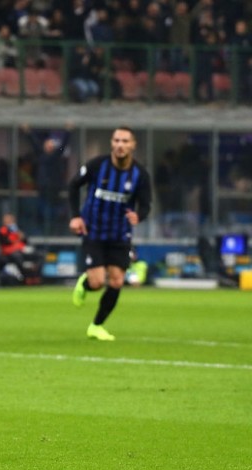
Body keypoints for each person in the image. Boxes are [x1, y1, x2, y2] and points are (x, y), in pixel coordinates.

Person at [68, 126, 152, 341]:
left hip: (120, 234)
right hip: (93, 230)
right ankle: (85, 283)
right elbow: (73, 185)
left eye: (125, 141)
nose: (120, 145)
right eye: (116, 140)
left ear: (133, 145)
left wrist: (139, 216)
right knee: (97, 283)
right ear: (112, 143)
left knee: (116, 281)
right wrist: (75, 216)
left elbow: (146, 204)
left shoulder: (140, 174)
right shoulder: (98, 165)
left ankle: (96, 326)